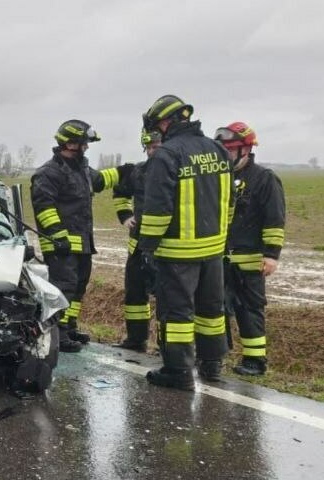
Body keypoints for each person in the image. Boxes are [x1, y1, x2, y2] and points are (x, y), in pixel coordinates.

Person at [137, 94, 233, 390]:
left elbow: (158, 209)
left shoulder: (167, 155)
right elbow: (229, 202)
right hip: (213, 250)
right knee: (211, 311)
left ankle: (178, 371)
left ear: (165, 123)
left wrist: (147, 247)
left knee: (177, 314)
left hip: (178, 253)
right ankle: (212, 364)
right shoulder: (217, 149)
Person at [31, 119, 127, 353]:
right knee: (64, 287)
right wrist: (58, 236)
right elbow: (44, 207)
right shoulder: (49, 173)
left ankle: (69, 326)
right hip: (61, 244)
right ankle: (57, 333)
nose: (86, 148)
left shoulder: (81, 169)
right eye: (84, 144)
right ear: (71, 144)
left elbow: (100, 180)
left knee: (78, 287)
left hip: (82, 242)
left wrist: (128, 171)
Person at [216, 122, 284, 376]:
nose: (225, 155)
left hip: (251, 259)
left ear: (245, 150)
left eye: (229, 150)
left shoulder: (264, 178)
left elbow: (274, 219)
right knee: (216, 309)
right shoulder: (219, 178)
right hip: (220, 258)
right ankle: (216, 356)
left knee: (249, 310)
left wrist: (271, 255)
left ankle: (255, 361)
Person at [112, 130, 163, 352]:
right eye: (148, 148)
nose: (152, 152)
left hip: (163, 249)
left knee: (166, 300)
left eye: (156, 147)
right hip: (137, 248)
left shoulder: (176, 172)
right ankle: (136, 339)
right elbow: (120, 191)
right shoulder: (138, 171)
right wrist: (125, 215)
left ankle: (167, 346)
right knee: (134, 295)